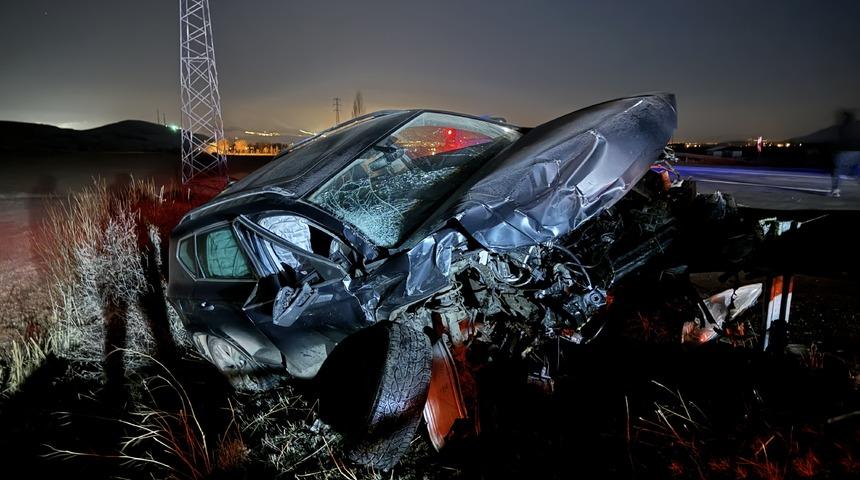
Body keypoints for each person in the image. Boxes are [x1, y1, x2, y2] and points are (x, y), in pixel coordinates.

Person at [830, 110, 860, 197]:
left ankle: (835, 190)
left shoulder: (843, 127)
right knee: (856, 171)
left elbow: (841, 139)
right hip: (858, 152)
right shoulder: (857, 126)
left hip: (846, 151)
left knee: (837, 170)